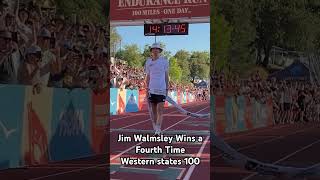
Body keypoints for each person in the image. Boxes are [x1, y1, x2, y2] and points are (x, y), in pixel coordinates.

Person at [145, 42, 169, 135]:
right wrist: (146, 88)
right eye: (153, 49)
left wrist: (167, 88)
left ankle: (158, 129)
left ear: (159, 51)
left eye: (157, 49)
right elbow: (147, 76)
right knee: (153, 111)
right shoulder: (148, 62)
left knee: (160, 110)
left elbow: (167, 76)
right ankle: (156, 127)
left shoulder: (164, 61)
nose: (155, 50)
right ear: (151, 51)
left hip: (162, 89)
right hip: (151, 89)